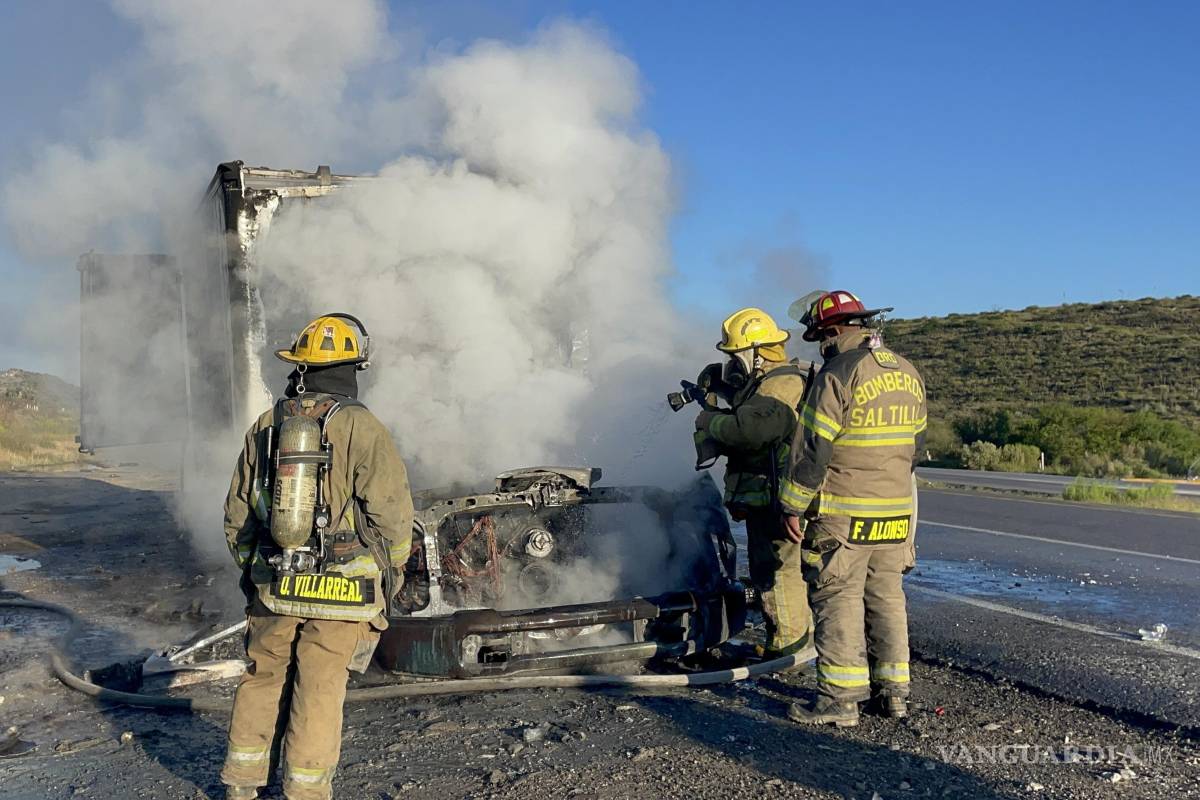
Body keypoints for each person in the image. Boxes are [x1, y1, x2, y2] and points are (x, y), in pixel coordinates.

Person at [220, 314, 414, 800]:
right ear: (352, 367)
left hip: (276, 581)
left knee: (263, 676)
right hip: (344, 588)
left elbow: (237, 514)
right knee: (321, 686)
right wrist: (394, 572)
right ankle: (304, 792)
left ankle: (242, 785)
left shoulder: (268, 425)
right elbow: (391, 513)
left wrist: (253, 572)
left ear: (300, 366)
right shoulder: (362, 426)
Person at [778, 291, 925, 727]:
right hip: (895, 513)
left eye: (820, 337)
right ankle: (893, 694)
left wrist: (792, 505)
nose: (820, 346)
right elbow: (913, 445)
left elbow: (812, 450)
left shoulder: (837, 373)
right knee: (887, 598)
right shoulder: (907, 371)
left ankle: (840, 700)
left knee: (837, 596)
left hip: (844, 513)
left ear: (833, 332)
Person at [694, 307, 814, 658]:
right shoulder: (770, 381)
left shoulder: (781, 383)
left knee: (779, 571)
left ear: (754, 353)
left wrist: (710, 421)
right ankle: (795, 641)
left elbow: (753, 431)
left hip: (779, 496)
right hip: (774, 494)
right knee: (777, 568)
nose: (732, 363)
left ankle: (787, 651)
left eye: (734, 356)